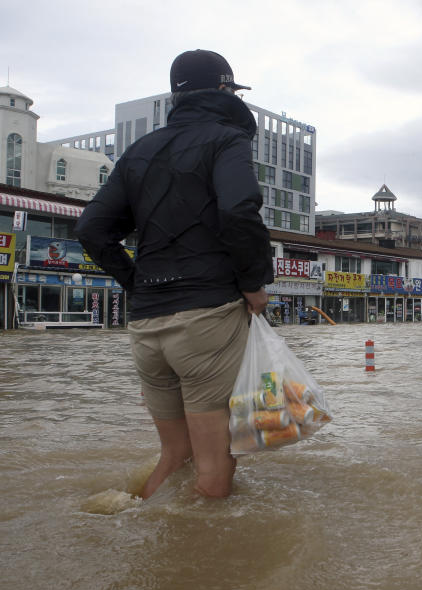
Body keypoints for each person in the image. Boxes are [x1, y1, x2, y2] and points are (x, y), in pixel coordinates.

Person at [75, 50, 273, 499]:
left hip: (147, 324)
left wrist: (135, 282)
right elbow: (239, 209)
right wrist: (252, 282)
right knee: (215, 460)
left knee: (175, 454)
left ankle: (135, 527)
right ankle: (200, 564)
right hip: (206, 318)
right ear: (225, 90)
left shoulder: (139, 150)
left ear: (175, 96)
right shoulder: (227, 139)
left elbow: (91, 229)